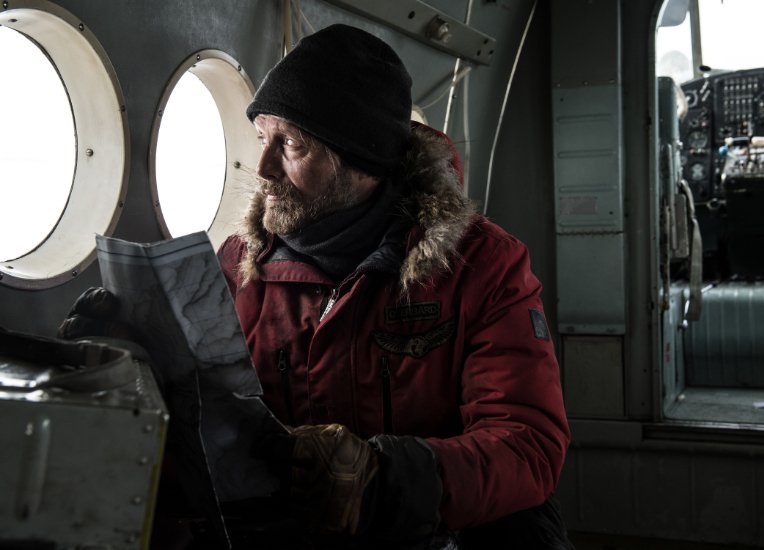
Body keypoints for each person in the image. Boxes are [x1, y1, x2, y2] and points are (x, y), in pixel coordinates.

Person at [61, 23, 572, 549]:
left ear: (362, 160)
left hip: (430, 529)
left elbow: (528, 445)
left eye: (291, 146)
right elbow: (210, 420)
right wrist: (132, 370)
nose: (262, 168)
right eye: (263, 139)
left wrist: (383, 477)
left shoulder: (481, 265)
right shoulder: (240, 264)